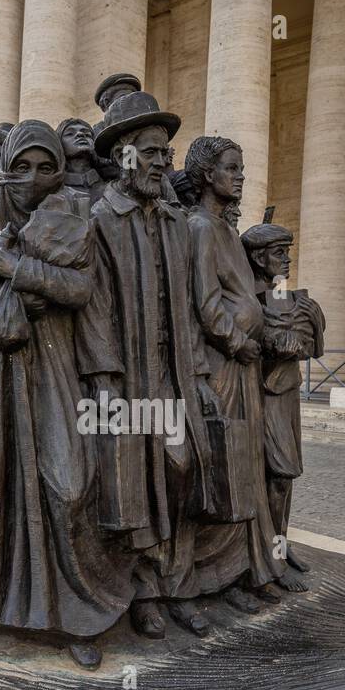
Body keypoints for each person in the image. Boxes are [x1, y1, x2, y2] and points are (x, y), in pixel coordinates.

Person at [0, 119, 134, 669]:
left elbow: (81, 289)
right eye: (22, 166)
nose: (34, 178)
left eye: (46, 167)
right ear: (5, 167)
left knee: (68, 484)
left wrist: (19, 269)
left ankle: (78, 613)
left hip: (54, 369)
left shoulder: (72, 224)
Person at [80, 92, 218, 639]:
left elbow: (188, 307)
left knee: (181, 471)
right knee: (130, 485)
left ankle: (174, 583)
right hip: (127, 377)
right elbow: (93, 311)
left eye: (168, 152)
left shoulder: (176, 221)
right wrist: (105, 381)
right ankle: (137, 590)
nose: (165, 161)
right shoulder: (100, 219)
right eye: (155, 152)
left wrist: (200, 375)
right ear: (124, 156)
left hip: (175, 372)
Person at [184, 135, 287, 610]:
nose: (240, 175)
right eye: (232, 167)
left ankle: (252, 568)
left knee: (247, 465)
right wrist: (238, 340)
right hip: (224, 365)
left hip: (243, 365)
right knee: (225, 467)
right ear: (208, 174)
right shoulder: (201, 227)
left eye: (241, 168)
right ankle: (214, 578)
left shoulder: (226, 229)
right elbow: (205, 302)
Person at [241, 221, 325, 586]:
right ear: (258, 258)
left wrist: (309, 319)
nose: (287, 260)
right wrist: (282, 337)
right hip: (260, 394)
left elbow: (314, 348)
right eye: (279, 253)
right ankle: (266, 557)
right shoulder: (249, 300)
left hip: (287, 393)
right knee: (274, 474)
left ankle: (279, 543)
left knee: (285, 478)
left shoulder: (290, 300)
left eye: (287, 252)